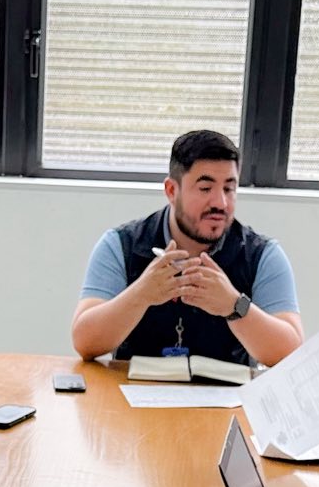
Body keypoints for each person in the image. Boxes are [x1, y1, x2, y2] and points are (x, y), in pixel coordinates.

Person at [71, 129, 303, 369]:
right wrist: (141, 294)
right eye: (205, 189)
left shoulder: (261, 254)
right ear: (172, 191)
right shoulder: (121, 244)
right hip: (134, 397)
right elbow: (85, 343)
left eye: (229, 189)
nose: (219, 203)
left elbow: (291, 352)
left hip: (226, 401)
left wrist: (235, 306)